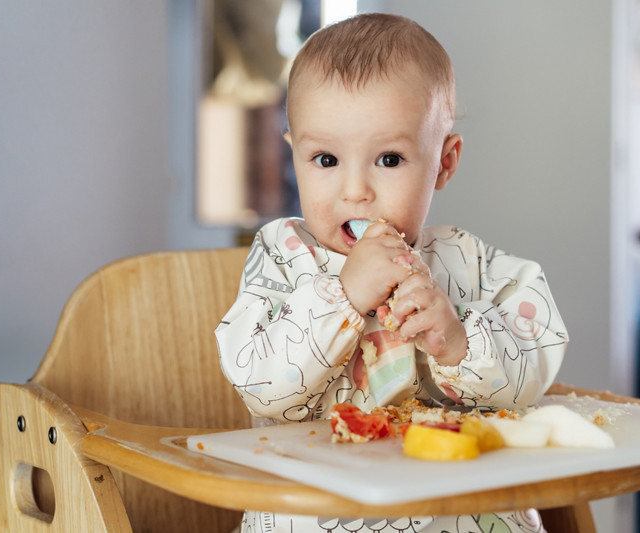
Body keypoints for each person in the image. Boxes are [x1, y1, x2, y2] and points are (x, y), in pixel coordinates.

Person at [216, 13, 568, 533]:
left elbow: (536, 359)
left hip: (465, 517)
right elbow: (260, 384)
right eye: (326, 159)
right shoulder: (283, 256)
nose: (355, 190)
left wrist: (458, 341)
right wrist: (343, 296)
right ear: (294, 157)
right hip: (316, 514)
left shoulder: (470, 264)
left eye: (388, 158)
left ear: (444, 163)